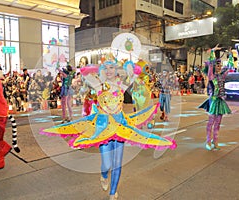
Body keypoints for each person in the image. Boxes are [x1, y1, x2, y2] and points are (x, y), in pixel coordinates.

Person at [40, 59, 176, 200]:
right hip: (102, 128)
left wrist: (130, 68)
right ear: (103, 70)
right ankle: (104, 175)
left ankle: (113, 193)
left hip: (120, 127)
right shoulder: (99, 85)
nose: (110, 70)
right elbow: (85, 73)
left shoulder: (121, 84)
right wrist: (95, 68)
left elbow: (135, 74)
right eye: (107, 68)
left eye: (112, 67)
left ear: (116, 70)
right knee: (107, 164)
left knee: (117, 163)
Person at [198, 46, 231, 151]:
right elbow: (211, 65)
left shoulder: (222, 76)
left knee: (218, 124)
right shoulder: (211, 76)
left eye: (220, 65)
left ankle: (215, 141)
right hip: (213, 101)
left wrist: (230, 54)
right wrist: (212, 51)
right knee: (210, 123)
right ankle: (208, 141)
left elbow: (230, 66)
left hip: (221, 101)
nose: (220, 67)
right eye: (218, 65)